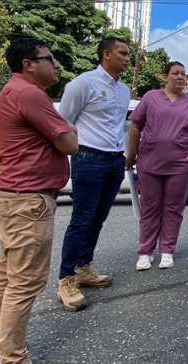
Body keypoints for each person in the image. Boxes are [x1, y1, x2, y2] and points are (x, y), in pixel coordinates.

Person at [0, 38, 78, 364]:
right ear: (29, 64)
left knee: (5, 276)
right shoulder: (30, 93)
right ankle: (13, 358)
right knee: (24, 284)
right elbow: (69, 144)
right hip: (28, 201)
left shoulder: (12, 91)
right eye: (50, 58)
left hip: (10, 196)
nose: (56, 64)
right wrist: (70, 128)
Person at [56, 36, 131, 312]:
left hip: (114, 161)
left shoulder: (123, 90)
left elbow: (117, 126)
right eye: (122, 53)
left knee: (98, 217)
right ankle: (65, 279)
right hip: (88, 157)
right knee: (81, 219)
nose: (127, 57)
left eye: (127, 53)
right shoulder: (83, 83)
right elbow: (63, 121)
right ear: (106, 54)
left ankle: (83, 268)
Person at [125, 61, 188, 270]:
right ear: (165, 76)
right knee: (151, 207)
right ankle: (145, 252)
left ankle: (167, 250)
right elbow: (135, 127)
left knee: (174, 207)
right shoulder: (151, 97)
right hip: (149, 162)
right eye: (175, 73)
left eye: (183, 74)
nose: (180, 77)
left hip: (181, 164)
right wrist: (131, 155)